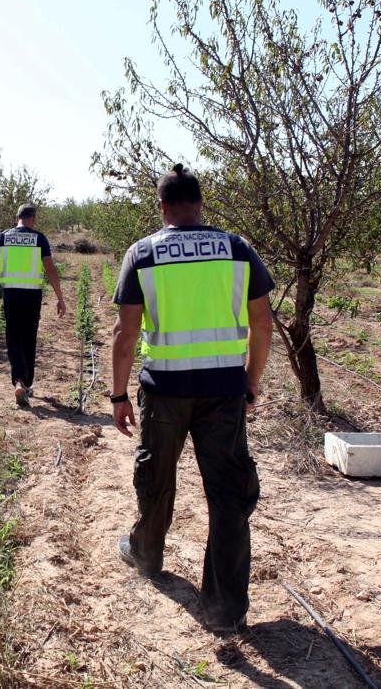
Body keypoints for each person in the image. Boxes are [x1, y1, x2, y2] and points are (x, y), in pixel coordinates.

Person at [108, 164, 274, 633]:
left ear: (161, 207)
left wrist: (119, 394)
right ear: (201, 204)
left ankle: (147, 554)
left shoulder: (143, 253)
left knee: (156, 476)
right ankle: (223, 609)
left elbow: (126, 334)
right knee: (227, 494)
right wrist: (251, 379)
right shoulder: (237, 248)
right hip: (223, 390)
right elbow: (262, 324)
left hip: (165, 390)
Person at [0, 203, 67, 407]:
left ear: (17, 217)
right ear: (34, 218)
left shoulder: (3, 237)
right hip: (32, 296)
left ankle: (19, 382)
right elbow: (50, 269)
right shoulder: (39, 238)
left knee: (13, 338)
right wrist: (60, 298)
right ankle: (26, 382)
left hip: (11, 295)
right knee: (29, 338)